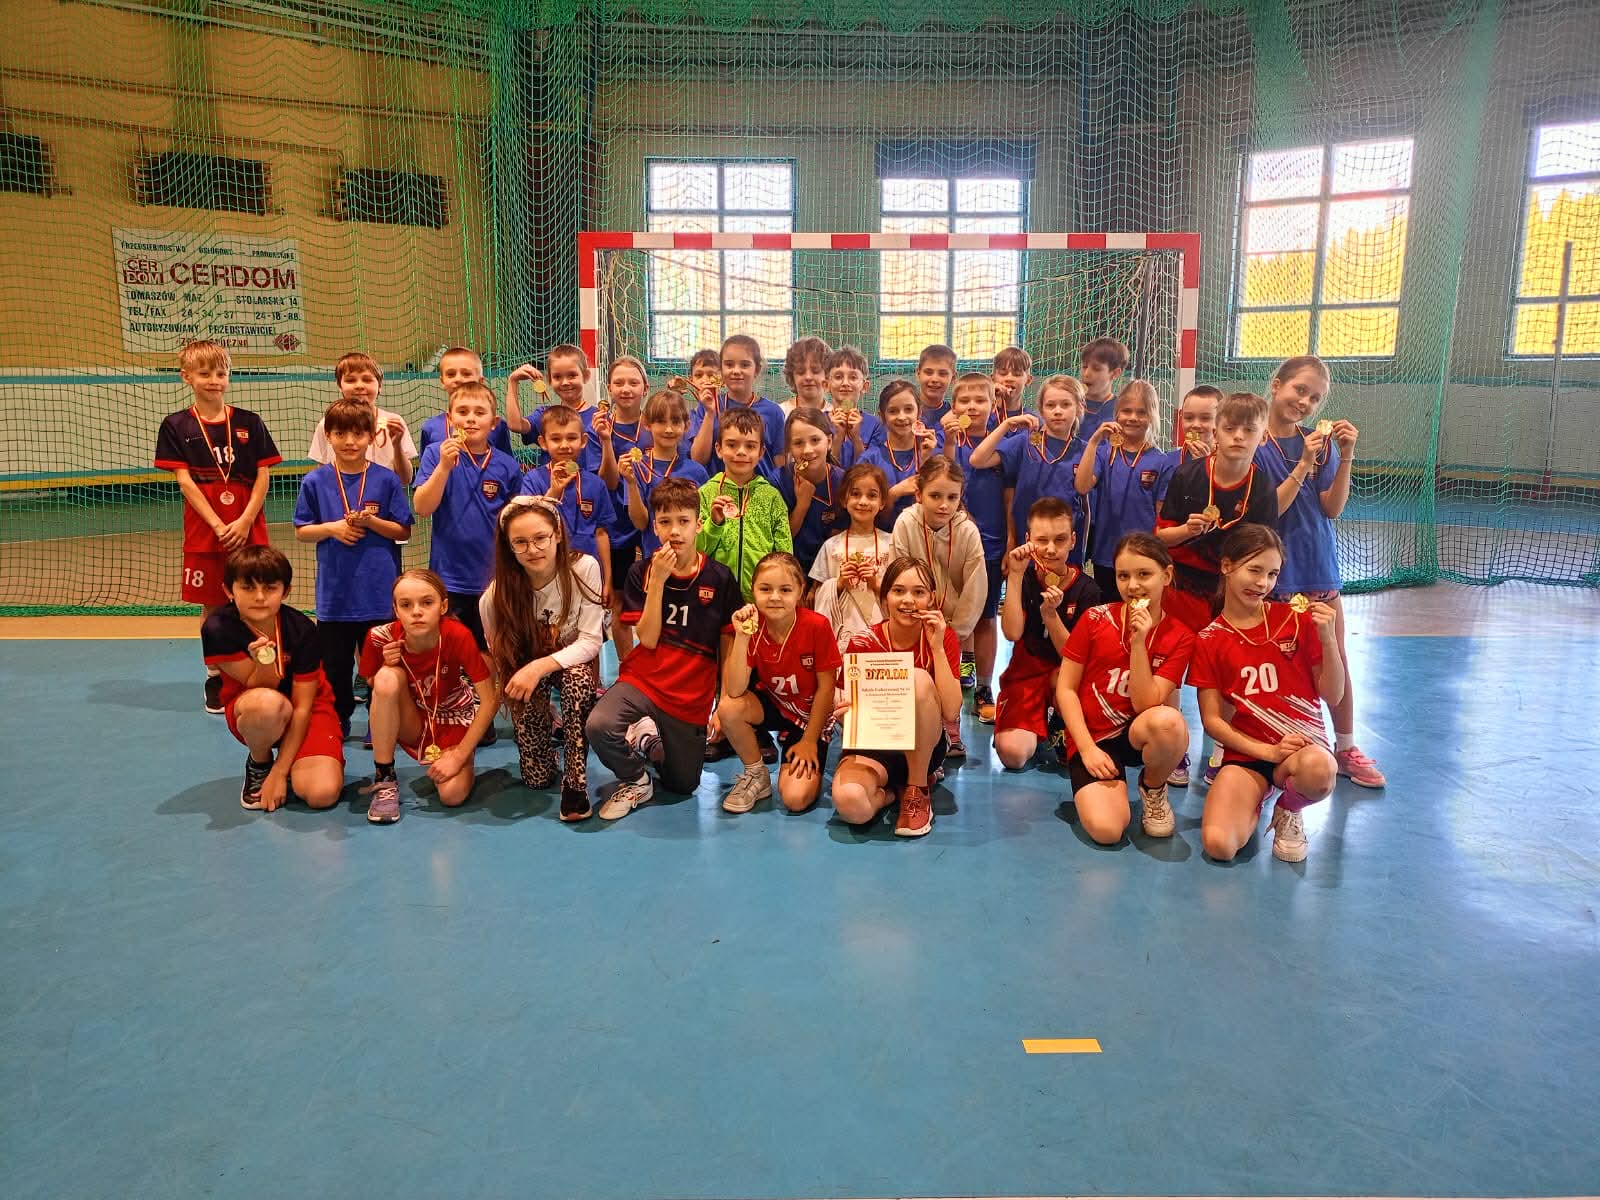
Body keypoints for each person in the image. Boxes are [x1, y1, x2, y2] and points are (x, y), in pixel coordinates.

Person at [1255, 355, 1385, 788]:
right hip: (1270, 573)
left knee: (1334, 658)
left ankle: (1345, 747)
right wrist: (1303, 464)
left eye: (1315, 398)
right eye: (1300, 390)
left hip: (1318, 569)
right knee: (1267, 662)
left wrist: (1345, 456)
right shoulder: (1252, 443)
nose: (1305, 402)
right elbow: (1269, 511)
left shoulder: (1321, 444)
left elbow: (1331, 508)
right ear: (1277, 385)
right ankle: (1251, 748)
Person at [585, 478, 743, 820]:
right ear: (654, 527)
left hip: (690, 695)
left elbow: (728, 645)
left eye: (684, 521)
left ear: (698, 525)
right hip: (644, 681)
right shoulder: (641, 572)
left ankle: (648, 739)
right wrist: (657, 581)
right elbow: (648, 638)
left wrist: (723, 701)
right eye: (665, 521)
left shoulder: (719, 578)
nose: (675, 531)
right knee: (599, 724)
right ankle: (636, 779)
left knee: (683, 784)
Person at [1188, 524, 1344, 863]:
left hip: (1302, 750)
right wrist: (1268, 752)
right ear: (1227, 566)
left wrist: (1329, 639)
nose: (1263, 583)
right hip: (1249, 755)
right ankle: (1257, 796)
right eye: (1254, 570)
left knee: (1320, 770)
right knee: (1219, 846)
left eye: (1272, 574)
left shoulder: (1296, 621)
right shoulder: (1209, 639)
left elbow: (1333, 695)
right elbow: (1212, 722)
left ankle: (1290, 807)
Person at [153, 339, 281, 714]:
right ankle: (216, 676)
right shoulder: (176, 425)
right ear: (187, 376)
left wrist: (244, 520)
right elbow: (185, 482)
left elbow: (263, 476)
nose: (214, 380)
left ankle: (265, 668)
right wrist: (218, 523)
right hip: (206, 530)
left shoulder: (249, 422)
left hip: (248, 526)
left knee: (259, 599)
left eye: (221, 373)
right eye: (205, 373)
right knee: (213, 605)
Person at [1054, 533, 1195, 843]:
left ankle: (1153, 787)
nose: (1133, 585)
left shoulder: (1181, 636)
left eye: (1144, 574)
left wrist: (1139, 643)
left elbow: (1146, 704)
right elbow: (1065, 689)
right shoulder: (1094, 619)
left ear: (1166, 575)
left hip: (1138, 732)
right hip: (1095, 736)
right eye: (1123, 576)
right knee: (1107, 831)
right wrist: (1087, 749)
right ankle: (1101, 786)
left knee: (1169, 723)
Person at [292, 399, 413, 739]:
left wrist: (371, 522)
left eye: (358, 434)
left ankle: (381, 719)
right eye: (340, 434)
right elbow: (302, 531)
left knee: (383, 665)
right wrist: (333, 529)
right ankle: (337, 719)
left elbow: (404, 530)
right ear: (327, 436)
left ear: (371, 437)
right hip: (335, 597)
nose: (349, 442)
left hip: (378, 594)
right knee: (335, 667)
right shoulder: (315, 482)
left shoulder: (386, 480)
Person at [481, 497, 605, 821]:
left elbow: (591, 641)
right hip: (527, 674)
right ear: (509, 547)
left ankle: (575, 781)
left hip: (569, 665)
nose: (532, 549)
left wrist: (539, 667)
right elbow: (501, 656)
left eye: (540, 538)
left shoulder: (583, 569)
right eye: (520, 542)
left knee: (577, 682)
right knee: (537, 779)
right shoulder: (494, 597)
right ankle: (548, 726)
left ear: (557, 535)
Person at [200, 545, 343, 812]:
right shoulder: (218, 628)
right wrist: (263, 663)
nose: (259, 597)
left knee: (321, 794)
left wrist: (281, 772)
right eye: (247, 588)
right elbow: (260, 687)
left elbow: (302, 707)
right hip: (254, 709)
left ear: (285, 591)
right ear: (229, 591)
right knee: (266, 705)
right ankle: (260, 762)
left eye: (270, 588)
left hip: (309, 710)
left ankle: (285, 766)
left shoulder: (302, 630)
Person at [830, 557, 962, 838]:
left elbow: (951, 712)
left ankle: (917, 788)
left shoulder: (943, 638)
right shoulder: (863, 642)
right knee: (852, 805)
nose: (908, 600)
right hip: (875, 745)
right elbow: (845, 709)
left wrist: (937, 648)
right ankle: (895, 792)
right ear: (885, 596)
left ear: (932, 597)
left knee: (917, 679)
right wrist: (846, 715)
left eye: (919, 592)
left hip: (924, 747)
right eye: (898, 590)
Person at [359, 569, 497, 821]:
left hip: (452, 714)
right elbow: (373, 682)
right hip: (411, 717)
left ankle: (457, 756)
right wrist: (386, 664)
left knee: (452, 795)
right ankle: (385, 779)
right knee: (386, 677)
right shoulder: (380, 637)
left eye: (427, 602)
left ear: (443, 606)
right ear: (395, 609)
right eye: (406, 605)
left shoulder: (457, 635)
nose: (416, 612)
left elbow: (489, 701)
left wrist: (460, 754)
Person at [715, 552, 842, 814]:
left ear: (800, 591)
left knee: (795, 798)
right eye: (765, 589)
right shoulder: (752, 626)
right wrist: (741, 637)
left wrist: (809, 741)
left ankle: (806, 752)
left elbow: (826, 689)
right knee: (728, 708)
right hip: (774, 705)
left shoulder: (817, 626)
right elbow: (735, 690)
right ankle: (756, 774)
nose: (774, 597)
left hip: (809, 717)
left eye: (785, 590)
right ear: (753, 590)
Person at [412, 380, 523, 653]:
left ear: (494, 423)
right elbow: (423, 508)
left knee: (492, 648)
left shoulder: (507, 465)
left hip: (494, 577)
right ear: (450, 419)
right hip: (449, 576)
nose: (471, 418)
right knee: (452, 649)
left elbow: (516, 520)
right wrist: (443, 467)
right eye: (462, 412)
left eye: (479, 412)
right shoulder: (435, 454)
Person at [991, 497, 1101, 769]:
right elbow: (1012, 633)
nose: (1051, 549)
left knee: (1064, 676)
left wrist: (1050, 616)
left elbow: (1072, 655)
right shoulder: (1024, 578)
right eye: (1042, 540)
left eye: (1060, 540)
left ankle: (1059, 721)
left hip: (1067, 675)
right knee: (1013, 755)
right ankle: (1036, 718)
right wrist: (1015, 576)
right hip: (1026, 672)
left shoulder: (1088, 590)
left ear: (1073, 541)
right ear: (1028, 540)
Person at [1154, 390, 1277, 633]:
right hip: (1182, 586)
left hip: (1233, 589)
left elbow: (1266, 553)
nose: (1238, 436)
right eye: (1229, 428)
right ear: (1215, 433)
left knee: (1223, 651)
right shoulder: (1185, 475)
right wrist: (1186, 530)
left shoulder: (1263, 487)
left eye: (1249, 430)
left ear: (1263, 437)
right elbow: (1160, 538)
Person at [891, 455, 985, 759]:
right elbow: (897, 573)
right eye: (935, 496)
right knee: (916, 677)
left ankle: (951, 731)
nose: (944, 505)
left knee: (947, 679)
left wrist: (957, 630)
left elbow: (975, 586)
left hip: (952, 623)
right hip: (911, 616)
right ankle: (913, 731)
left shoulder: (967, 531)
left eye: (952, 497)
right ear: (918, 494)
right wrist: (908, 617)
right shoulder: (906, 522)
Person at [938, 372, 1010, 719]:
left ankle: (984, 685)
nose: (972, 407)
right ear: (953, 407)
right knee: (954, 614)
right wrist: (949, 441)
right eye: (964, 401)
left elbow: (1010, 497)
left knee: (985, 617)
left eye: (980, 400)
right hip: (951, 543)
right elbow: (944, 477)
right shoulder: (949, 440)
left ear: (993, 405)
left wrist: (1010, 542)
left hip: (992, 545)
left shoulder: (1004, 444)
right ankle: (956, 673)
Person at [970, 374, 1086, 564]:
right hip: (1027, 548)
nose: (1058, 411)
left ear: (1079, 408)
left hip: (1064, 550)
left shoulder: (1085, 451)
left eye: (1065, 405)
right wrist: (1006, 425)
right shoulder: (1025, 442)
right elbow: (977, 460)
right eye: (1050, 405)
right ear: (1041, 410)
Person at [1076, 379, 1166, 603]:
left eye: (1141, 412)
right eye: (1126, 411)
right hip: (1107, 555)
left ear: (1152, 416)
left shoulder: (1161, 462)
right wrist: (1094, 441)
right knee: (1110, 613)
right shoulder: (1104, 453)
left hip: (1144, 556)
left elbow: (1161, 517)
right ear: (1116, 414)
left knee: (1140, 612)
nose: (1133, 417)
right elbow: (1082, 486)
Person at [518, 405, 615, 605]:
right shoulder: (533, 480)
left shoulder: (596, 484)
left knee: (589, 622)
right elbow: (528, 525)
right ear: (543, 443)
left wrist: (608, 579)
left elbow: (601, 534)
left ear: (583, 441)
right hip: (546, 573)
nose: (564, 445)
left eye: (571, 438)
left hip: (588, 573)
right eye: (556, 439)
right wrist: (553, 491)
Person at [696, 407, 793, 599]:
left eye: (750, 446)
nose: (741, 452)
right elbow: (695, 551)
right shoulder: (706, 494)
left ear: (761, 452)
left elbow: (784, 554)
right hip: (713, 597)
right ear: (719, 449)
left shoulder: (772, 497)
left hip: (760, 599)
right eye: (732, 445)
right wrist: (714, 524)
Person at [594, 356, 652, 659]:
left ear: (645, 388)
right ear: (609, 388)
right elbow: (607, 482)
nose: (626, 388)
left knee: (653, 600)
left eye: (633, 382)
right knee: (619, 604)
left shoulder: (655, 426)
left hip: (651, 524)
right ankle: (628, 667)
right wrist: (606, 443)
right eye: (619, 382)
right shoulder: (600, 428)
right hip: (618, 527)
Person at [810, 463, 896, 650]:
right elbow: (816, 595)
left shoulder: (892, 544)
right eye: (855, 494)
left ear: (882, 502)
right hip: (843, 633)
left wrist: (877, 584)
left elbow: (902, 591)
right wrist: (839, 583)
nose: (863, 502)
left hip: (882, 632)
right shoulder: (831, 546)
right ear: (844, 499)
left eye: (872, 495)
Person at [306, 351, 416, 485]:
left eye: (367, 380)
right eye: (350, 380)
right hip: (341, 496)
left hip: (383, 495)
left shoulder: (393, 423)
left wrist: (397, 445)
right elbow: (322, 474)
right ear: (340, 386)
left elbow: (405, 479)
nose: (359, 386)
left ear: (380, 386)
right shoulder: (327, 424)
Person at [687, 334, 787, 479]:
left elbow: (780, 463)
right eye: (729, 365)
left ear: (757, 370)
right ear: (721, 370)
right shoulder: (707, 406)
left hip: (761, 489)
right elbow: (698, 460)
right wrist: (709, 414)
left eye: (745, 365)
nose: (736, 371)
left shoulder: (773, 412)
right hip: (719, 490)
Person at [626, 384, 709, 557]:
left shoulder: (697, 472)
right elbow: (641, 524)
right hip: (655, 558)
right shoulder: (638, 468)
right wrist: (631, 483)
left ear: (687, 426)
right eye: (661, 422)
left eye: (676, 422)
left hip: (690, 562)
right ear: (647, 424)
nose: (669, 429)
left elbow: (704, 523)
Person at [777, 407, 845, 575]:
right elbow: (780, 542)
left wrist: (820, 580)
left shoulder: (843, 482)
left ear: (829, 442)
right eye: (798, 443)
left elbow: (842, 540)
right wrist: (802, 505)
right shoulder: (778, 481)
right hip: (789, 571)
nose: (808, 450)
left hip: (830, 571)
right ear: (789, 447)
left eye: (815, 440)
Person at [503, 344, 600, 457]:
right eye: (557, 377)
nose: (565, 382)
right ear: (549, 379)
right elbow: (516, 425)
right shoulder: (545, 415)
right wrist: (512, 381)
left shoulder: (599, 418)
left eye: (572, 375)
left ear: (586, 376)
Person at [862, 380, 938, 525]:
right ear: (882, 416)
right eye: (893, 411)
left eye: (908, 409)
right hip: (882, 535)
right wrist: (893, 494)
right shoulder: (870, 460)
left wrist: (927, 460)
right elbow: (863, 513)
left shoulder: (932, 453)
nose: (902, 417)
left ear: (919, 412)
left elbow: (938, 503)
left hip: (922, 535)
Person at [417, 346, 514, 457]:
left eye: (466, 374)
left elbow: (505, 463)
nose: (458, 379)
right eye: (451, 374)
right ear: (442, 381)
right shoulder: (430, 427)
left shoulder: (497, 426)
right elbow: (426, 466)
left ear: (481, 381)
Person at [825, 345, 877, 466]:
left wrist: (856, 439)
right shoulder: (817, 423)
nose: (845, 383)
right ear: (827, 385)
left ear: (864, 386)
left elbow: (868, 472)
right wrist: (838, 438)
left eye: (853, 377)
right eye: (838, 377)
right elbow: (824, 472)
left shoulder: (875, 425)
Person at [1078, 336, 1129, 427]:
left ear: (1115, 373)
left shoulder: (1122, 409)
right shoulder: (1070, 402)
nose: (1086, 374)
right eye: (1084, 367)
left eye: (1096, 369)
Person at [780, 336, 831, 415]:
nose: (808, 377)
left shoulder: (836, 416)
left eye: (815, 371)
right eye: (801, 372)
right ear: (792, 377)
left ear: (827, 375)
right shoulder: (780, 413)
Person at [914, 342, 958, 427]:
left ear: (953, 378)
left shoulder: (954, 415)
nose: (934, 379)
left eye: (942, 374)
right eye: (928, 372)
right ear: (918, 373)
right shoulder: (904, 411)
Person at [991, 345, 1033, 422]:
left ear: (1028, 380)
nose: (1009, 378)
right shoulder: (981, 414)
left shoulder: (1033, 420)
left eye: (1017, 374)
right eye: (1003, 373)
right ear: (992, 379)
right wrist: (988, 396)